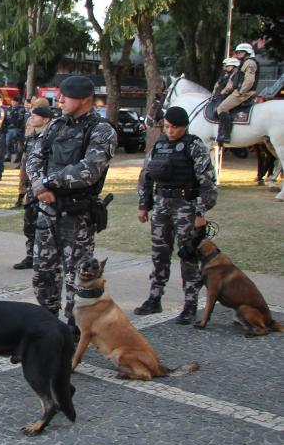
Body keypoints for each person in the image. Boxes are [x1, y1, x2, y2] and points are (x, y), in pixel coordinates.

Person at [26, 75, 117, 335]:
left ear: (86, 99)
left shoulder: (101, 130)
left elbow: (88, 170)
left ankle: (73, 332)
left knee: (76, 279)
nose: (60, 100)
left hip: (77, 216)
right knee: (43, 273)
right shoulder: (56, 126)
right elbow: (34, 157)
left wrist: (47, 182)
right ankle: (47, 327)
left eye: (67, 95)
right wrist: (38, 186)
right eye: (60, 95)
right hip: (48, 213)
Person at [134, 106, 218, 324]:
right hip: (162, 204)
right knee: (159, 253)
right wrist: (144, 205)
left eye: (175, 128)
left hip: (186, 206)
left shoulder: (195, 146)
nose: (170, 131)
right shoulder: (159, 145)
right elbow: (146, 176)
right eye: (167, 127)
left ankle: (190, 304)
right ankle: (154, 298)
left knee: (188, 254)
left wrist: (200, 212)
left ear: (185, 127)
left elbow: (207, 181)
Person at [14, 104, 53, 269]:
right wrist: (23, 186)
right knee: (29, 223)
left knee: (45, 226)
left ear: (45, 119)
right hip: (31, 188)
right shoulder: (30, 138)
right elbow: (25, 162)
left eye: (35, 116)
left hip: (45, 188)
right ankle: (30, 256)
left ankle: (44, 257)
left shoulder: (51, 139)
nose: (31, 118)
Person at [216, 42, 259, 143]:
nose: (238, 53)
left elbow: (249, 80)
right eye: (237, 52)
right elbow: (234, 81)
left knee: (222, 108)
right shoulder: (243, 63)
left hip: (245, 93)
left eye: (241, 52)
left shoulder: (249, 62)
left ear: (247, 52)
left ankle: (225, 135)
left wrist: (240, 92)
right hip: (239, 91)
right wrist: (225, 91)